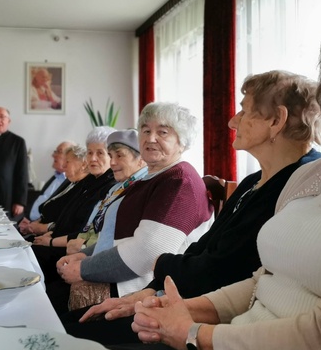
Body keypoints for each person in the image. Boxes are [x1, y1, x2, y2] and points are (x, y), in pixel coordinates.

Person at [106, 12, 321, 350]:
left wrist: (196, 335)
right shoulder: (313, 174)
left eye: (244, 110)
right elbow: (263, 278)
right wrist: (186, 311)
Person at [62, 70, 321, 344]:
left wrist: (157, 277)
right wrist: (148, 292)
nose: (233, 120)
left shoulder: (300, 184)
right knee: (67, 326)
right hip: (184, 294)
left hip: (219, 321)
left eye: (244, 111)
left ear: (277, 120)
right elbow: (206, 249)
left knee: (67, 334)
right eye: (145, 131)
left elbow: (223, 269)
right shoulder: (254, 181)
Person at [55, 104, 213, 311]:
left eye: (162, 132)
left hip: (144, 292)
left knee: (47, 307)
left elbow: (147, 254)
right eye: (146, 131)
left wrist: (83, 269)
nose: (151, 138)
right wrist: (85, 254)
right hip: (125, 279)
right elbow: (118, 236)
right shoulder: (151, 178)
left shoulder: (179, 182)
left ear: (182, 142)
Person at [31, 126, 117, 312]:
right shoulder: (90, 180)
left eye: (100, 153)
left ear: (112, 155)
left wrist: (51, 241)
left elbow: (86, 231)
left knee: (30, 260)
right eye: (90, 153)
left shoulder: (110, 185)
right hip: (61, 244)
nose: (93, 158)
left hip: (72, 251)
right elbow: (62, 213)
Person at [19, 140, 73, 234]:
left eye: (59, 152)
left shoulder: (70, 182)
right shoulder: (55, 177)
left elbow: (57, 214)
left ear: (70, 158)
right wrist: (27, 219)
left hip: (44, 231)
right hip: (29, 223)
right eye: (55, 151)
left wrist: (33, 225)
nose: (54, 155)